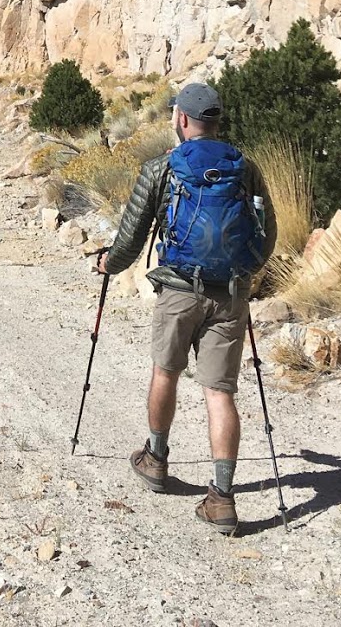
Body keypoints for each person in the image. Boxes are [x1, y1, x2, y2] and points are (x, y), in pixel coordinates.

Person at [92, 81, 273, 534]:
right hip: (229, 295)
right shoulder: (244, 168)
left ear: (181, 120)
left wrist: (108, 264)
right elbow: (266, 234)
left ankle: (155, 459)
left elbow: (132, 235)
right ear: (215, 121)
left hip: (177, 291)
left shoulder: (162, 168)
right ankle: (223, 498)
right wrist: (245, 274)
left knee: (165, 373)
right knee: (220, 393)